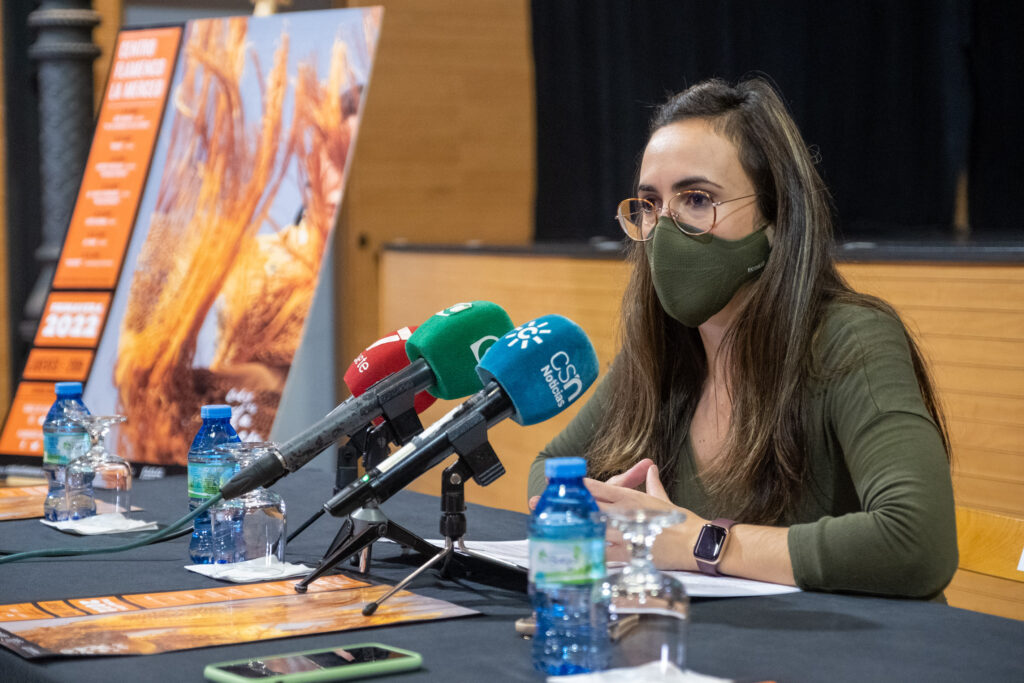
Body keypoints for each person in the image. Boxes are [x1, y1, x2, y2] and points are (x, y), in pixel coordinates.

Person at [527, 77, 958, 599]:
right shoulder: (662, 351)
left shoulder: (850, 339)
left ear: (776, 216)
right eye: (650, 204)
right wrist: (598, 510)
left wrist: (698, 542)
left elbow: (917, 543)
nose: (665, 230)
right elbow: (547, 473)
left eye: (697, 199)